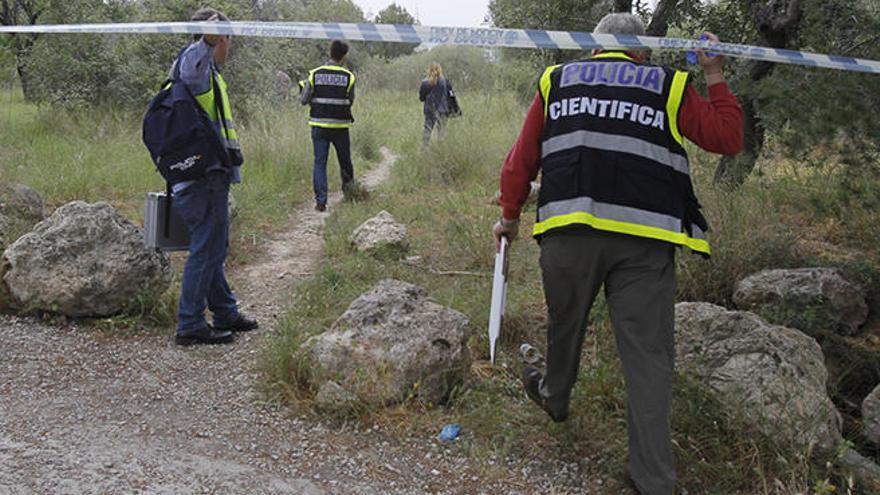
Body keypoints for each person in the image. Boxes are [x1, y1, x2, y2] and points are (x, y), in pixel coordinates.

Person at [492, 13, 743, 495]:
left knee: (564, 328)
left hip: (569, 234)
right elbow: (727, 139)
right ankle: (652, 481)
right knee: (648, 360)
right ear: (642, 51)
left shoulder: (557, 80)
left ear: (592, 48)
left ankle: (554, 397)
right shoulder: (667, 85)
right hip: (645, 244)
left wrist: (509, 216)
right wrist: (713, 72)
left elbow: (522, 157)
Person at [171, 7, 258, 346]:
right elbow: (196, 52)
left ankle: (224, 311)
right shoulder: (194, 66)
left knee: (212, 247)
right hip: (202, 176)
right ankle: (190, 322)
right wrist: (210, 32)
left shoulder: (207, 72)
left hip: (208, 174)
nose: (229, 45)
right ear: (218, 38)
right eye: (227, 38)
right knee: (206, 249)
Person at [300, 40, 357, 212]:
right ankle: (349, 195)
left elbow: (304, 100)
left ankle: (321, 202)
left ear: (330, 52)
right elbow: (351, 101)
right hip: (341, 127)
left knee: (320, 163)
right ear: (344, 56)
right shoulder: (349, 76)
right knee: (345, 162)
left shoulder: (314, 74)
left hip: (319, 126)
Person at [419, 62, 454, 147]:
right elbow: (451, 95)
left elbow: (421, 98)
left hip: (429, 110)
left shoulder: (425, 82)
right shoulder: (445, 81)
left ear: (429, 70)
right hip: (443, 110)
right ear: (440, 70)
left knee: (427, 131)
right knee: (441, 132)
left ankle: (423, 151)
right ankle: (440, 152)